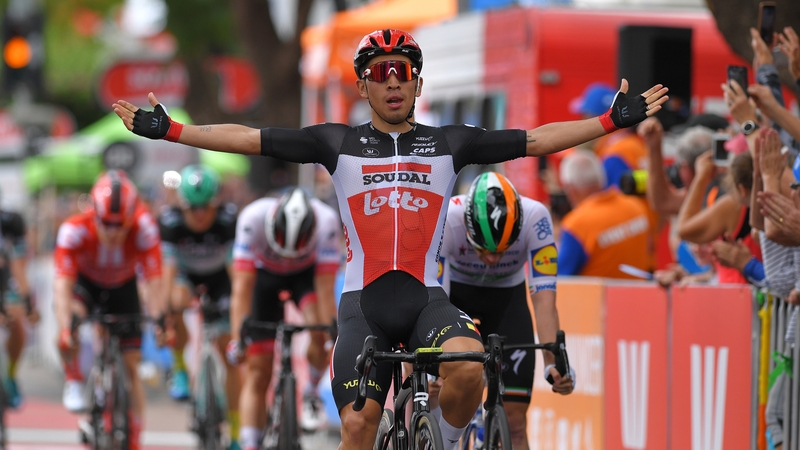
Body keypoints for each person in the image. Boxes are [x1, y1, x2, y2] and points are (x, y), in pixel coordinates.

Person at [112, 28, 668, 450]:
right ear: (363, 86)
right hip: (364, 304)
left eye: (403, 71)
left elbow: (537, 139)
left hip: (428, 298)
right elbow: (248, 137)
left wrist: (607, 122)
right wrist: (174, 130)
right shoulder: (336, 142)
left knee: (470, 364)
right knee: (358, 423)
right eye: (380, 73)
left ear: (418, 83)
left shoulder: (451, 141)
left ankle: (445, 442)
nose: (393, 80)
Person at [437, 171, 574, 449]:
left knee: (515, 424)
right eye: (483, 249)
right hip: (455, 298)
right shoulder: (447, 218)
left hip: (507, 300)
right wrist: (431, 366)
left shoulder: (536, 218)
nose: (492, 258)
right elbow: (436, 297)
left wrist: (554, 361)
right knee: (434, 398)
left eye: (502, 250)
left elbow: (544, 301)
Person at [53, 170, 167, 450]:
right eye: (106, 224)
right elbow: (62, 288)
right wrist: (67, 327)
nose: (113, 232)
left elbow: (155, 282)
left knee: (131, 365)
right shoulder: (73, 229)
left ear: (132, 217)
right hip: (87, 285)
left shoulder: (145, 227)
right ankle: (74, 380)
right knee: (71, 321)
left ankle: (136, 438)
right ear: (93, 214)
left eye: (120, 225)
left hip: (123, 287)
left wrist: (161, 321)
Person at [225, 187, 341, 449]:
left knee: (319, 328)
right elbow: (241, 289)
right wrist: (237, 340)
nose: (287, 255)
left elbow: (325, 291)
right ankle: (250, 443)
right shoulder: (251, 218)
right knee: (258, 370)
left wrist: (330, 337)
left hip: (304, 278)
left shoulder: (326, 222)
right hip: (264, 278)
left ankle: (310, 392)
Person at [157, 164, 243, 449]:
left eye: (206, 207)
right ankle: (180, 369)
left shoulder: (229, 220)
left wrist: (240, 312)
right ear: (182, 206)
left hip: (221, 280)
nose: (200, 214)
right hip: (186, 277)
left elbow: (237, 272)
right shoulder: (169, 222)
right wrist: (167, 313)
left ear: (216, 203)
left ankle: (234, 432)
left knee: (230, 353)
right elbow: (167, 275)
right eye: (192, 208)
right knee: (175, 301)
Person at [557, 150, 651, 278]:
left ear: (571, 189)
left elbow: (560, 278)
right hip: (638, 293)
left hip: (595, 297)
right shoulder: (635, 205)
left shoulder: (576, 224)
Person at [0, 196, 39, 408]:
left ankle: (11, 376)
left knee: (17, 323)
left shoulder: (11, 222)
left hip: (5, 281)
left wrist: (29, 305)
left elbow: (18, 270)